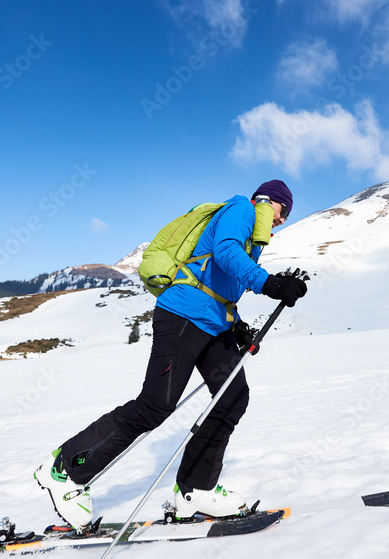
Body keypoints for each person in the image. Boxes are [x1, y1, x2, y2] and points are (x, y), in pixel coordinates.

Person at [34, 179, 308, 530]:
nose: (281, 222)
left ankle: (197, 489)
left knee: (232, 398)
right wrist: (269, 284)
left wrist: (235, 324)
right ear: (268, 202)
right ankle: (65, 470)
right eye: (282, 211)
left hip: (213, 324)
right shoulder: (241, 209)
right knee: (155, 406)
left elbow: (218, 284)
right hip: (183, 316)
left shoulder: (252, 237)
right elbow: (224, 252)